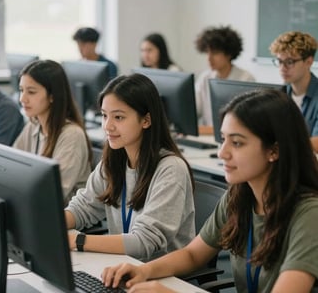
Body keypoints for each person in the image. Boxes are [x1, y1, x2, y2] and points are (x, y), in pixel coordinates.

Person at [101, 89, 318, 293]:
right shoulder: (239, 197)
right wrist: (144, 271)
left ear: (274, 150)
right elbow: (193, 255)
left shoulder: (309, 214)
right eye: (223, 140)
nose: (222, 153)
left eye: (237, 143)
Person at [64, 73, 195, 262]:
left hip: (161, 277)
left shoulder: (171, 169)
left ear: (146, 120)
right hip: (122, 265)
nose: (107, 126)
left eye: (118, 117)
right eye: (104, 115)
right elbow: (85, 206)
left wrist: (79, 240)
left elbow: (143, 243)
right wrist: (53, 225)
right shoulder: (115, 160)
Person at [13, 60, 92, 205]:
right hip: (35, 208)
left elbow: (53, 192)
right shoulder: (33, 125)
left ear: (52, 96)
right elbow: (11, 165)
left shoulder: (72, 135)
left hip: (64, 218)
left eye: (31, 92)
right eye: (21, 90)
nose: (22, 98)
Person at [194, 26, 255, 132]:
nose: (209, 58)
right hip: (207, 136)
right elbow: (195, 110)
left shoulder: (245, 79)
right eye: (207, 52)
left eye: (215, 53)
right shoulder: (205, 77)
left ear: (229, 54)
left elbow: (248, 120)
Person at [269, 31, 318, 153]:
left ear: (309, 61)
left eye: (290, 62)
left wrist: (280, 148)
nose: (282, 68)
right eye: (280, 61)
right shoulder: (279, 94)